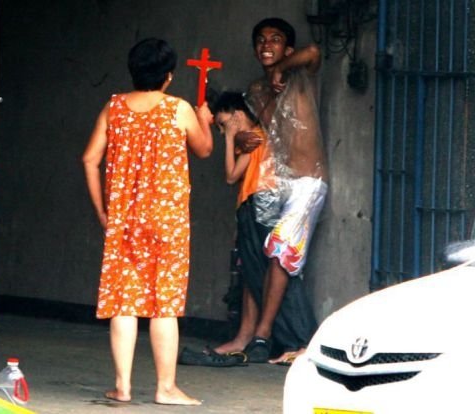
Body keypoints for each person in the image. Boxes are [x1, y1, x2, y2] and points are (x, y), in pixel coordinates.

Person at [82, 37, 213, 405]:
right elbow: (204, 149)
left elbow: (89, 159)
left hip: (124, 220)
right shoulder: (178, 109)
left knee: (124, 302)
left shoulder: (114, 107)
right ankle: (165, 388)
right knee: (164, 303)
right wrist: (204, 120)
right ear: (168, 76)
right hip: (167, 220)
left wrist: (103, 212)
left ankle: (122, 387)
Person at [215, 17, 328, 366]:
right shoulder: (256, 91)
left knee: (280, 251)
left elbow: (314, 52)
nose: (267, 45)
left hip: (306, 182)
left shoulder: (301, 76)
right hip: (275, 182)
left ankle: (264, 335)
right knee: (256, 256)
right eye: (261, 40)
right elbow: (256, 132)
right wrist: (242, 137)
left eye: (276, 39)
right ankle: (248, 334)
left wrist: (281, 68)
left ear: (287, 49)